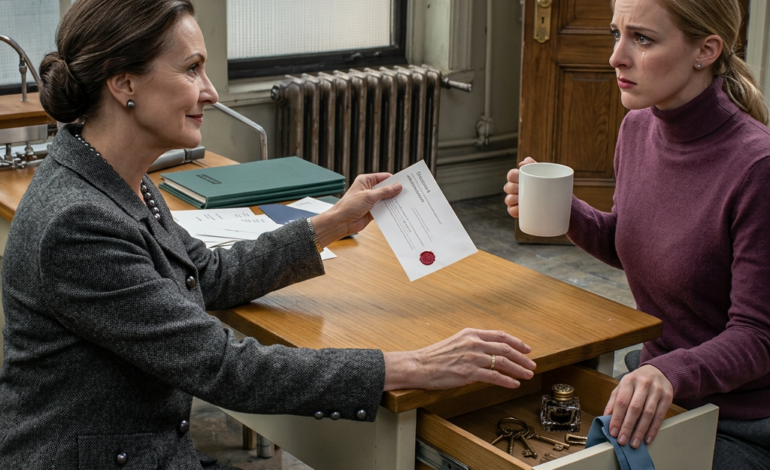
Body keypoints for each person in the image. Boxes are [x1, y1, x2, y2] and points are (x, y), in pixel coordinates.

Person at [0, 0, 537, 468]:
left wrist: (332, 223)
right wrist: (412, 364)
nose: (210, 91)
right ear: (123, 83)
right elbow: (222, 366)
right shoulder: (80, 223)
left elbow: (204, 275)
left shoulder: (115, 176)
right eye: (192, 69)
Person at [505, 0, 770, 468]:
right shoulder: (637, 129)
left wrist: (669, 372)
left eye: (642, 39)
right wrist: (565, 212)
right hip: (657, 392)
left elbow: (757, 336)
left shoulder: (757, 168)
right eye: (615, 34)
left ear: (705, 50)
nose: (616, 57)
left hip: (741, 419)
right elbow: (633, 243)